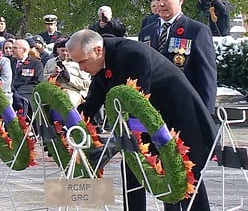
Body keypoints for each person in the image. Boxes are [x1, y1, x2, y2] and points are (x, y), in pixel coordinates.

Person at [67, 29, 217, 211]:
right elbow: (91, 104)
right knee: (131, 170)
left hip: (180, 123)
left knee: (181, 183)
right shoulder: (101, 63)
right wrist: (67, 125)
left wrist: (115, 144)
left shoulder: (132, 55)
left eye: (82, 61)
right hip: (151, 125)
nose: (81, 68)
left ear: (98, 50)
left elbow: (139, 103)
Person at [138, 0, 217, 114]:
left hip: (184, 108)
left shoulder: (196, 31)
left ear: (180, 0)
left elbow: (206, 76)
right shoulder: (147, 31)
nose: (161, 4)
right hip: (152, 110)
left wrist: (206, 114)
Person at [43, 37, 90, 107]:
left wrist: (69, 78)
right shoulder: (50, 62)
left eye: (67, 51)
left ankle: (71, 117)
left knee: (67, 100)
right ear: (57, 50)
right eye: (62, 50)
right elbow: (41, 80)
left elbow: (86, 84)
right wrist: (52, 75)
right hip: (53, 91)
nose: (65, 53)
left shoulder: (79, 63)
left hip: (72, 92)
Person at [11, 39, 43, 110]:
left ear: (24, 50)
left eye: (15, 48)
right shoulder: (8, 62)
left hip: (26, 94)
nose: (12, 50)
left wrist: (19, 91)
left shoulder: (36, 64)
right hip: (9, 92)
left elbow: (37, 83)